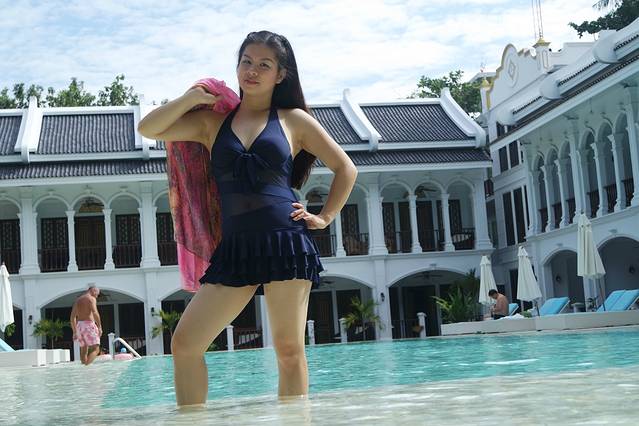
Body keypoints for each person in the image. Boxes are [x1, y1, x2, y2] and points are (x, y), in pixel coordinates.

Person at [138, 30, 357, 407]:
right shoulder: (212, 123)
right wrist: (191, 98)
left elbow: (345, 168)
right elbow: (148, 129)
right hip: (236, 247)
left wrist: (324, 217)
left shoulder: (294, 120)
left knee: (289, 350)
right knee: (185, 344)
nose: (252, 71)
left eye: (264, 65)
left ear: (280, 74)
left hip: (285, 240)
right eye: (246, 62)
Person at [70, 285, 103, 365]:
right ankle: (87, 366)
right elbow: (95, 313)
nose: (96, 296)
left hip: (79, 326)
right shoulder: (91, 299)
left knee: (83, 349)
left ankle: (84, 369)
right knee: (96, 349)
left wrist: (74, 331)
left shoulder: (78, 300)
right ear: (93, 291)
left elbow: (72, 317)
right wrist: (99, 327)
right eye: (97, 294)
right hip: (88, 325)